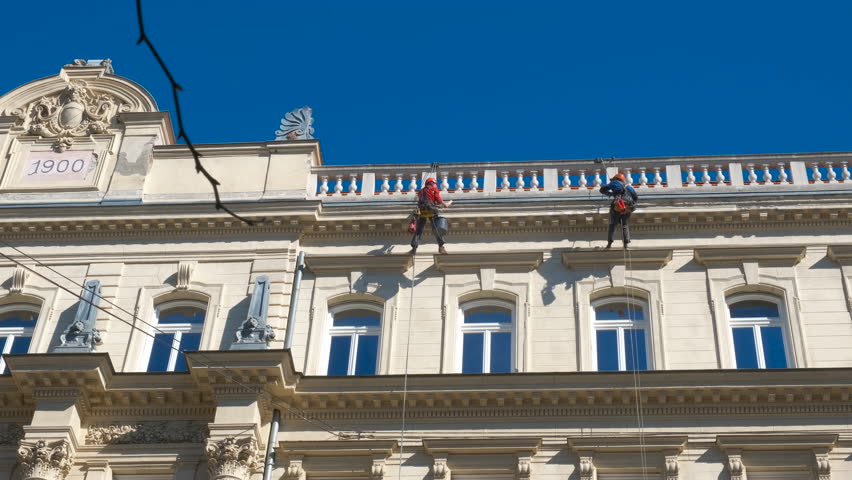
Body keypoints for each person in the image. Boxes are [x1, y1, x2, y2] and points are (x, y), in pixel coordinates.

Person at [409, 177, 452, 254]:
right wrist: (445, 204)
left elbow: (420, 201)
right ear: (432, 183)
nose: (436, 186)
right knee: (437, 228)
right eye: (435, 184)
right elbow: (438, 199)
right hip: (431, 210)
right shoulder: (433, 189)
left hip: (421, 211)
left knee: (419, 230)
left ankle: (414, 247)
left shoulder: (421, 191)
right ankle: (441, 247)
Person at [599, 173, 638, 249]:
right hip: (628, 206)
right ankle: (626, 243)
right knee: (624, 224)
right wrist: (633, 204)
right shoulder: (629, 187)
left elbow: (602, 189)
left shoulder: (614, 182)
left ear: (616, 178)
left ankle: (609, 243)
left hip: (619, 205)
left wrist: (610, 193)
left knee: (613, 224)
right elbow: (635, 197)